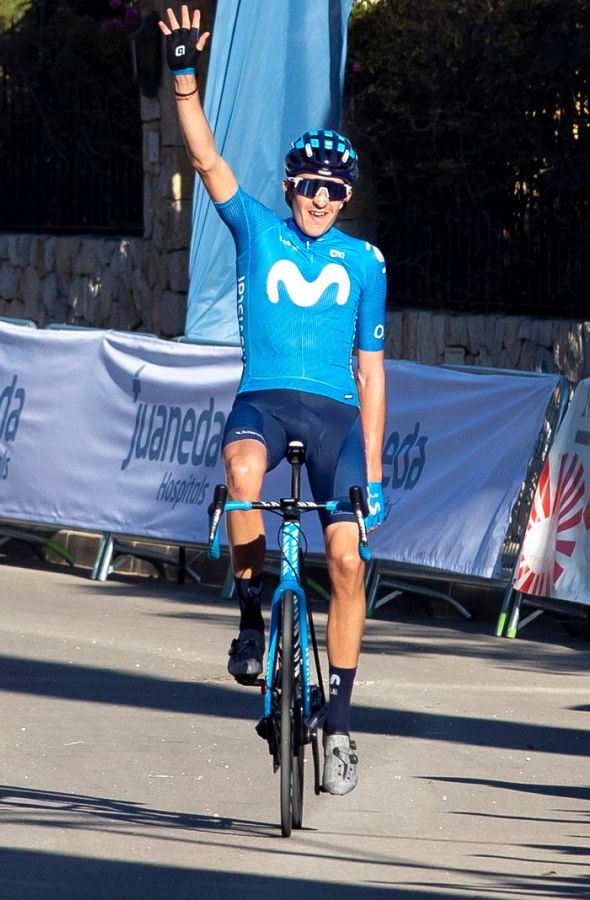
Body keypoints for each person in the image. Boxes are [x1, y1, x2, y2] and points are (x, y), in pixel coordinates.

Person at [159, 5, 387, 796]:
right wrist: (184, 72)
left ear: (346, 196)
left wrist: (378, 470)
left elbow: (372, 372)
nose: (321, 199)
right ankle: (253, 614)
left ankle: (344, 722)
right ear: (289, 187)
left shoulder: (365, 262)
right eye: (310, 186)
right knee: (241, 470)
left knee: (351, 565)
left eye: (335, 189)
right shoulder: (257, 228)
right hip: (264, 402)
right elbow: (205, 153)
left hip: (335, 425)